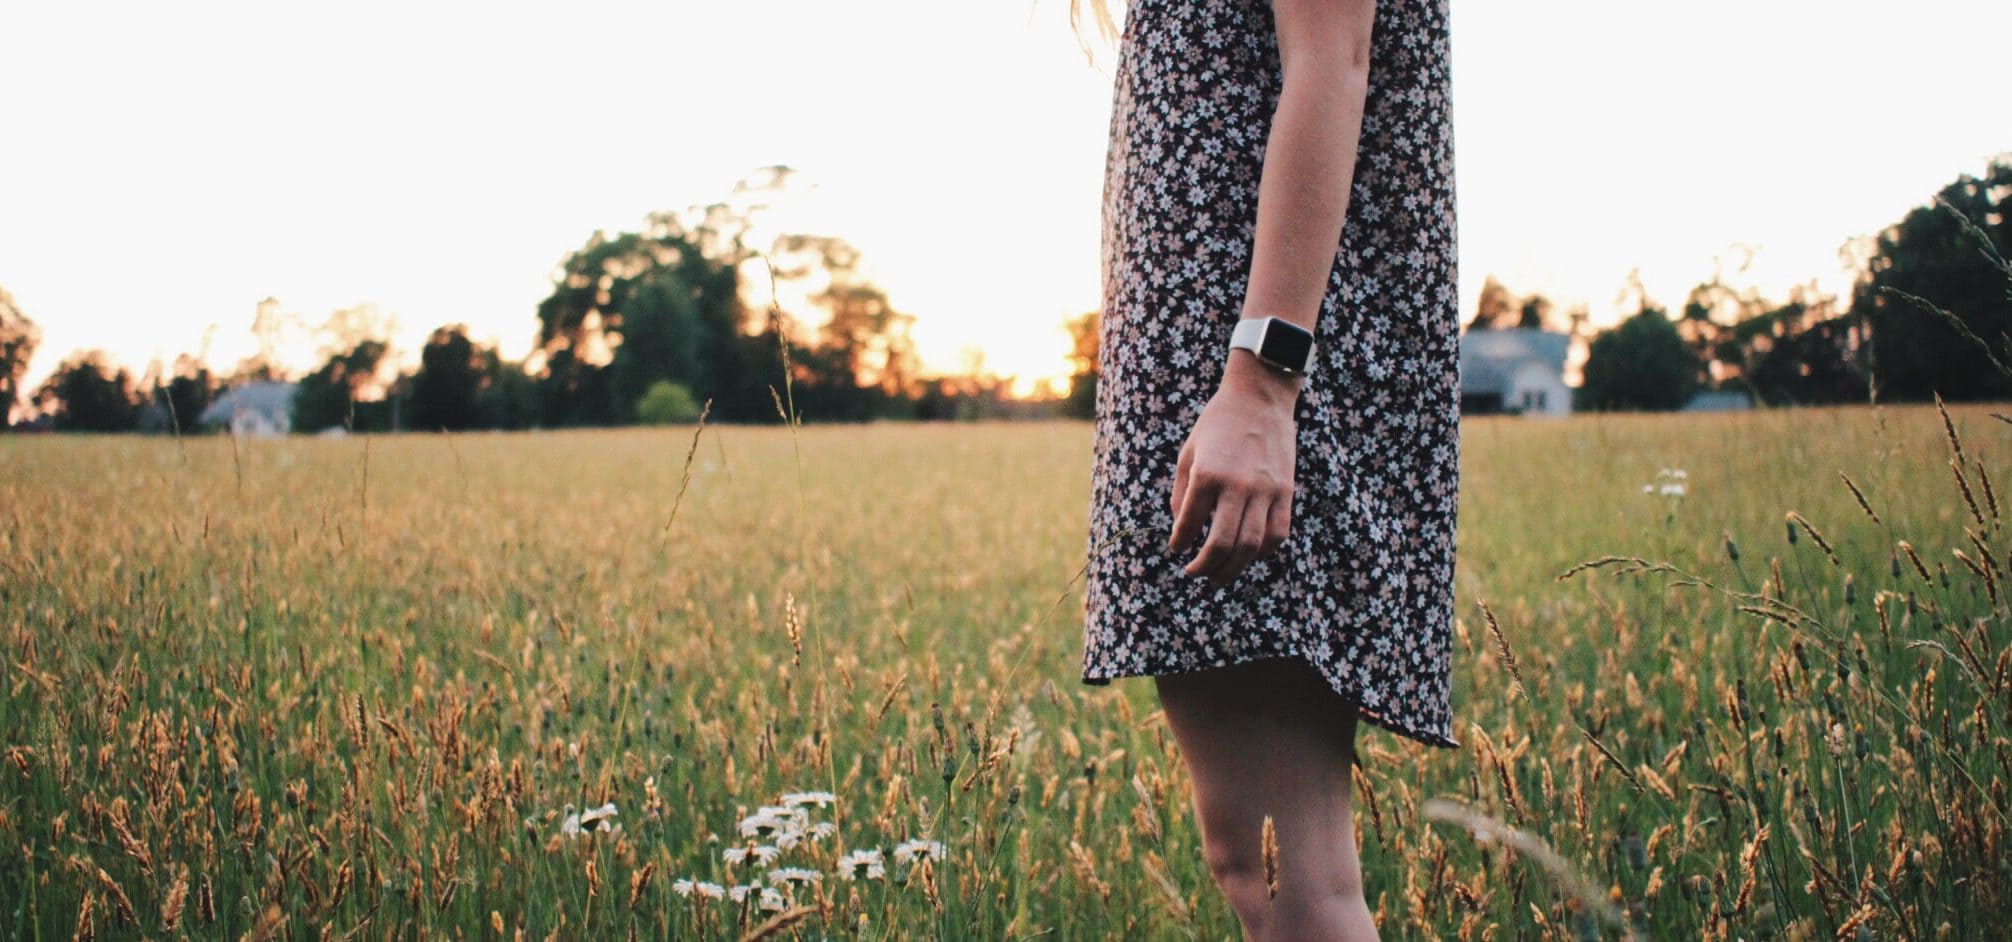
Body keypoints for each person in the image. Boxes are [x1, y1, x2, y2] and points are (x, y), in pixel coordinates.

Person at [1076, 0, 1461, 939]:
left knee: (1291, 877)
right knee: (1262, 862)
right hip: (1225, 384)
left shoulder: (1260, 385)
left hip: (1256, 383)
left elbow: (1334, 62)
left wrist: (1261, 381)